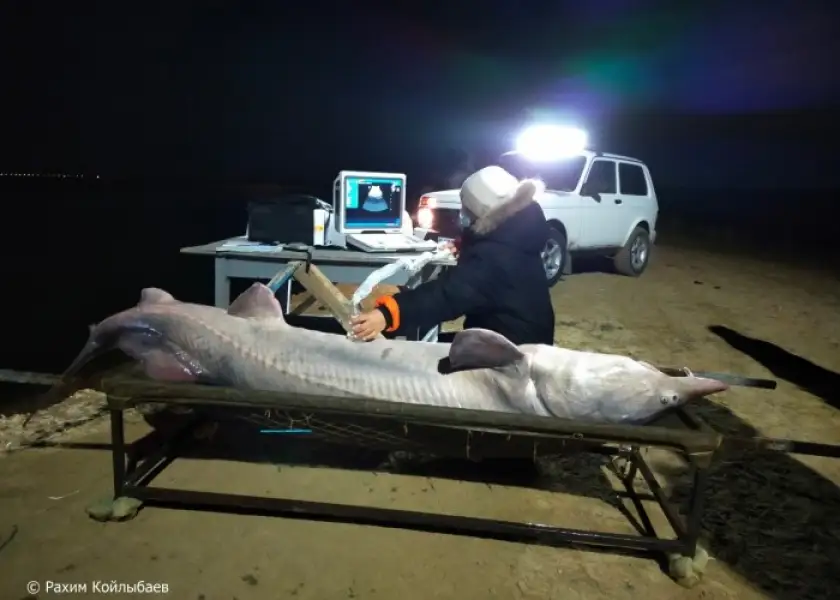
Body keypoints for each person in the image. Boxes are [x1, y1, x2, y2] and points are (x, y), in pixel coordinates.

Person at [351, 165, 556, 345]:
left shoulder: (492, 258)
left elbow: (445, 296)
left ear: (481, 213)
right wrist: (466, 244)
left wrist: (388, 314)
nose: (462, 214)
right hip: (523, 339)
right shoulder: (517, 238)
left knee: (423, 355)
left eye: (466, 209)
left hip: (511, 355)